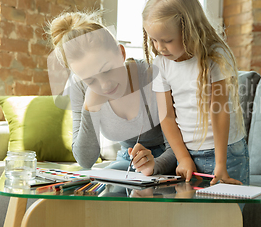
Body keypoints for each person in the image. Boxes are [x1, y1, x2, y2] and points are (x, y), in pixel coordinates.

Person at [46, 10, 176, 179]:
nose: (105, 85)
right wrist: (89, 107)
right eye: (90, 80)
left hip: (168, 163)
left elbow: (178, 149)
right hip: (127, 163)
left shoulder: (151, 76)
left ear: (121, 53)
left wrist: (153, 166)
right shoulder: (80, 87)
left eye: (107, 70)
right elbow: (85, 161)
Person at [142, 0, 249, 186]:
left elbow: (219, 111)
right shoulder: (161, 63)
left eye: (167, 40)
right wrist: (183, 158)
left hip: (226, 154)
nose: (159, 47)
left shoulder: (215, 56)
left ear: (190, 30)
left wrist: (220, 163)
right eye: (153, 40)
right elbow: (167, 117)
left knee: (229, 216)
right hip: (188, 154)